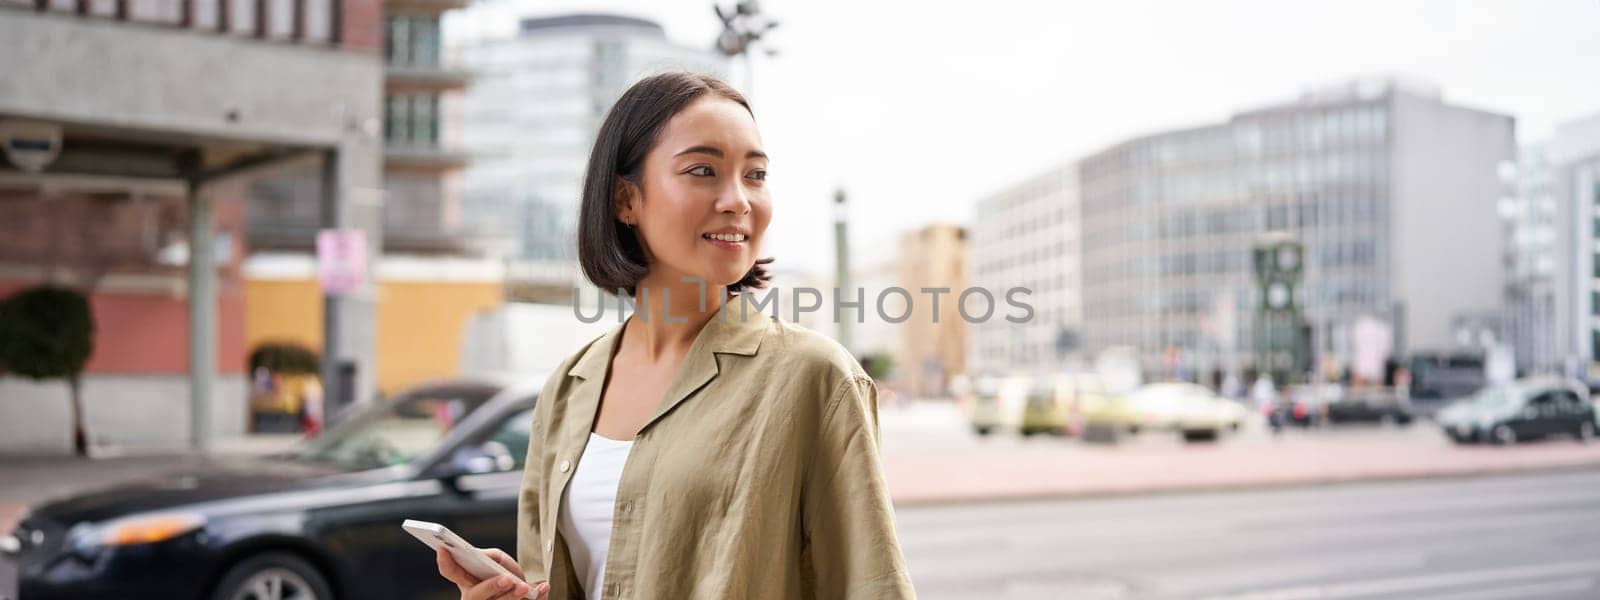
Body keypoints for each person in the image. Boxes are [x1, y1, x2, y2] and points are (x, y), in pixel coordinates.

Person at [434, 72, 915, 600]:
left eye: (755, 175)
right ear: (625, 200)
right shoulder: (568, 388)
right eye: (703, 170)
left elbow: (871, 587)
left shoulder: (814, 377)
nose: (738, 200)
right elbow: (546, 576)